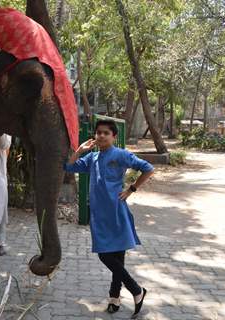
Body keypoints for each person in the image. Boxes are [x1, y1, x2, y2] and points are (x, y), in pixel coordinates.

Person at [64, 119, 154, 316]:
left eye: (106, 133)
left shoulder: (120, 155)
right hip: (99, 215)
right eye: (99, 133)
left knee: (114, 257)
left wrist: (131, 189)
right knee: (107, 254)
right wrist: (80, 150)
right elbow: (69, 167)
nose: (102, 136)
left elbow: (148, 168)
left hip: (116, 212)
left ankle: (123, 294)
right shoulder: (92, 158)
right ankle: (131, 292)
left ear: (114, 136)